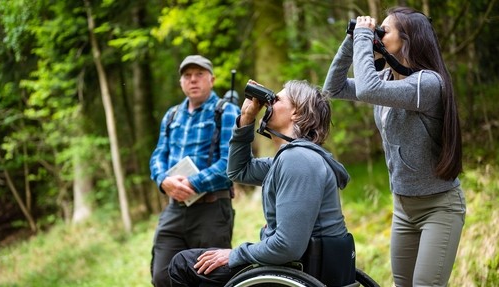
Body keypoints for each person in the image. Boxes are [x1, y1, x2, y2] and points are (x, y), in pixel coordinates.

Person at [323, 6, 466, 287]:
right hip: (403, 207)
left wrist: (365, 37)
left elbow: (367, 90)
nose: (377, 36)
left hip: (439, 207)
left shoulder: (428, 83)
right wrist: (352, 40)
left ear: (408, 39)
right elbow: (333, 88)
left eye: (383, 32)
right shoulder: (387, 79)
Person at [168, 80, 354, 286]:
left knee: (183, 264)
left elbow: (287, 246)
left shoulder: (298, 160)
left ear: (296, 113)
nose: (269, 103)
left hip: (298, 269)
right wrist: (246, 119)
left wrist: (234, 254)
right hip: (299, 264)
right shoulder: (289, 159)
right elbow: (239, 171)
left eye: (277, 99)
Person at [149, 55, 241, 287]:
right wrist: (164, 181)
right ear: (181, 82)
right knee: (162, 276)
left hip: (212, 210)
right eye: (187, 76)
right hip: (175, 209)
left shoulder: (226, 111)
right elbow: (158, 156)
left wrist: (193, 183)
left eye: (199, 75)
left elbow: (230, 162)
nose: (193, 80)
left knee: (209, 277)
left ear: (212, 79)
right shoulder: (171, 116)